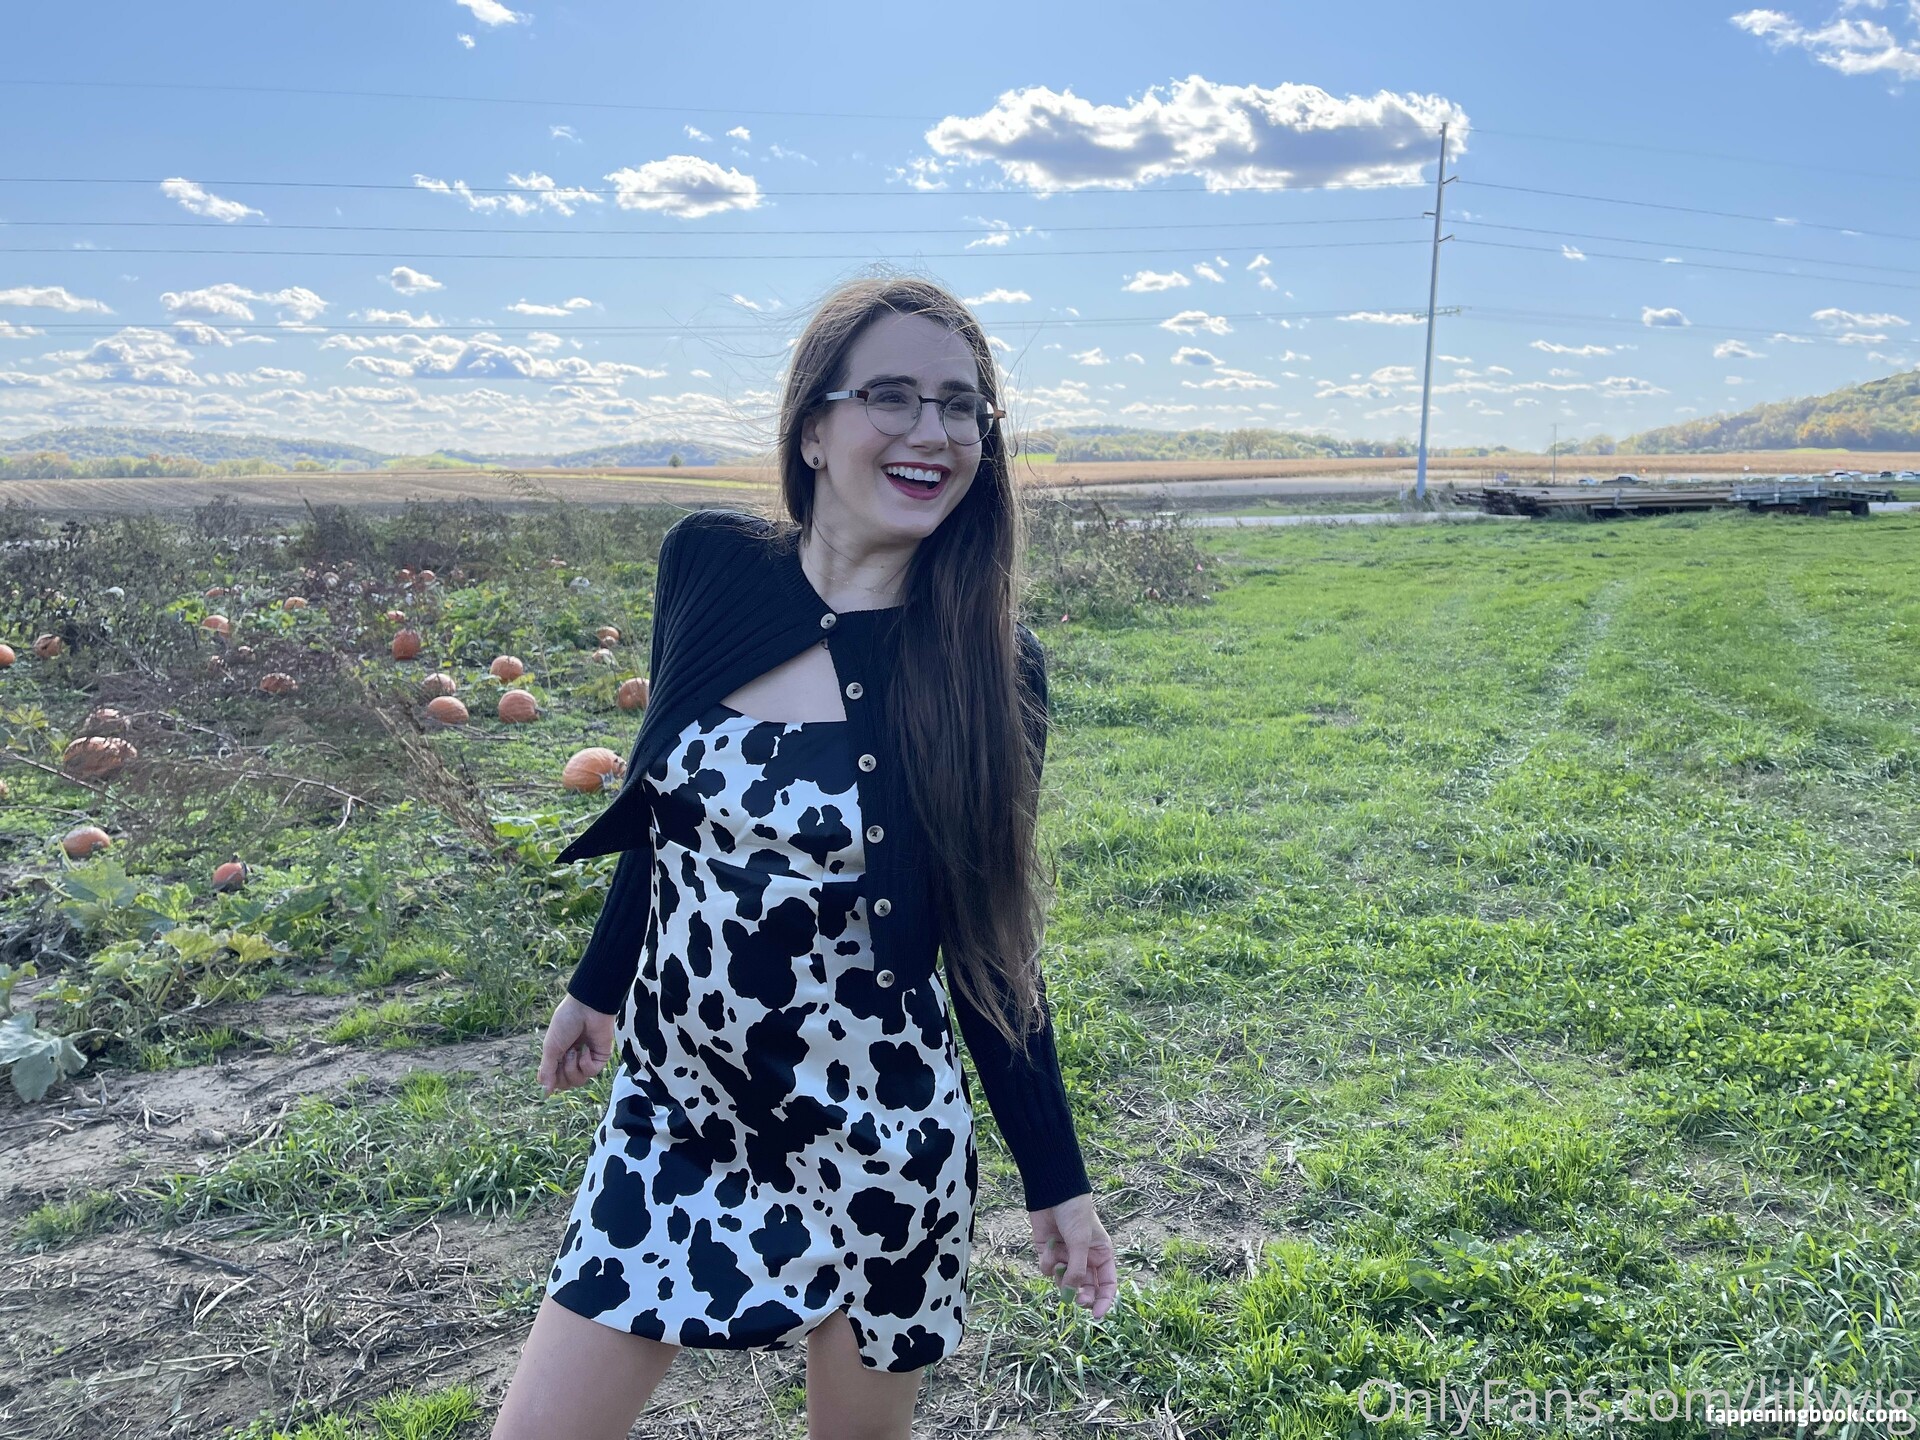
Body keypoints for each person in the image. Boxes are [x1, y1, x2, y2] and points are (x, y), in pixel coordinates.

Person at [492, 273, 1117, 1440]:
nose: (933, 431)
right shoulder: (708, 567)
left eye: (962, 405)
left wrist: (1058, 1178)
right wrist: (598, 981)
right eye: (891, 396)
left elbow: (990, 949)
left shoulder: (992, 666)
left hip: (877, 1136)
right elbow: (663, 802)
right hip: (678, 1108)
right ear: (813, 429)